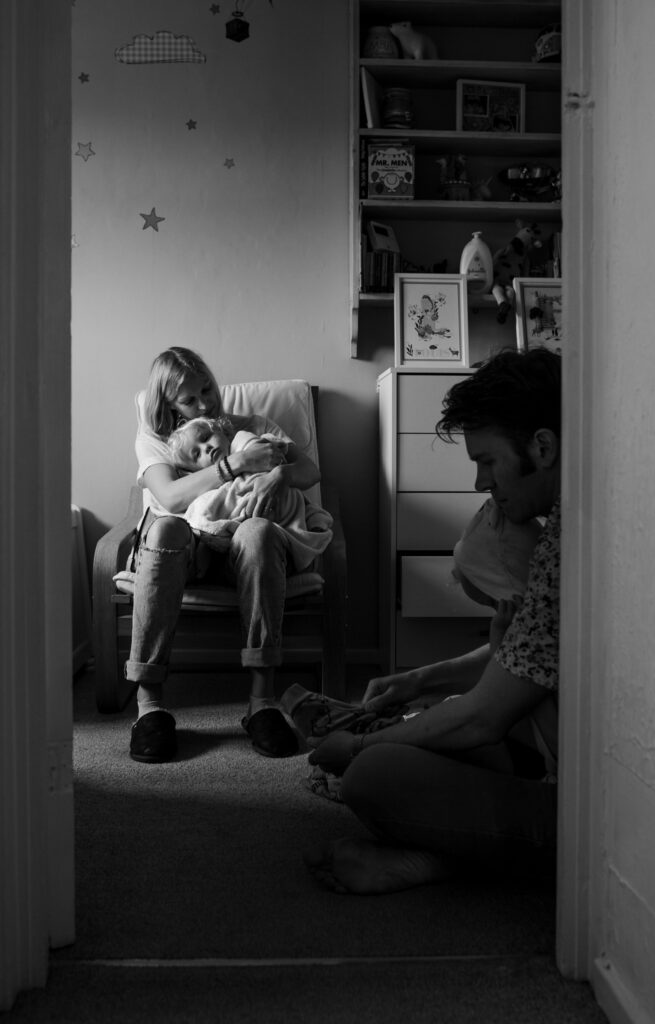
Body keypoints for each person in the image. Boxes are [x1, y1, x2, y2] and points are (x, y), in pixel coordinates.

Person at [306, 347, 561, 895]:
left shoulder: (570, 546)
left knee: (378, 774)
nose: (479, 484)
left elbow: (484, 717)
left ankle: (448, 860)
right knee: (430, 717)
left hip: (592, 809)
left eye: (487, 461)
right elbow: (526, 661)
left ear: (542, 447)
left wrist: (356, 750)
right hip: (542, 737)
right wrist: (420, 679)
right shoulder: (565, 525)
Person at [127, 347, 322, 764]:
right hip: (185, 548)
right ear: (168, 405)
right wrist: (235, 464)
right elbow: (169, 496)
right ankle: (149, 708)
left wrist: (279, 475)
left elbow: (310, 473)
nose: (205, 402)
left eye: (207, 389)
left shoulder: (252, 427)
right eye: (189, 399)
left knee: (258, 530)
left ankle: (262, 702)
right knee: (163, 526)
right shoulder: (158, 440)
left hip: (245, 543)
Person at [166, 415, 332, 567]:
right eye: (197, 454)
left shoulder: (241, 441)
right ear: (194, 471)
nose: (206, 448)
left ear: (223, 432)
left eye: (206, 437)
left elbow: (271, 455)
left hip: (278, 518)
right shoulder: (209, 485)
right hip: (244, 539)